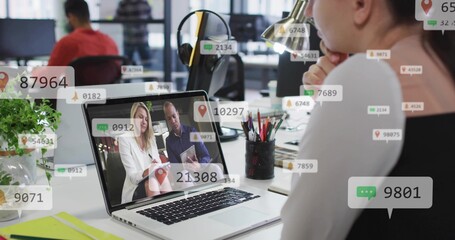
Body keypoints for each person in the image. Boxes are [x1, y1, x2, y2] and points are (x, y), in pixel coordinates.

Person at [281, 0, 455, 239]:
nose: (309, 12)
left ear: (361, 5)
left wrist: (339, 96)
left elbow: (302, 232)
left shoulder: (366, 76)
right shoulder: (441, 60)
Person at [119, 102, 171, 203]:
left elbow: (158, 165)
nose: (144, 121)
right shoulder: (124, 139)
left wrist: (162, 167)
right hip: (134, 188)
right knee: (152, 182)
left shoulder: (151, 139)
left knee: (162, 176)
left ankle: (171, 210)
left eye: (146, 119)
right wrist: (148, 170)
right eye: (140, 117)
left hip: (154, 179)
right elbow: (133, 178)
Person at [48, 0, 118, 66]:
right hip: (105, 79)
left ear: (71, 17)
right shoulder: (110, 42)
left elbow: (48, 76)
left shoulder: (66, 43)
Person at [163, 101, 211, 172]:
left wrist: (199, 165)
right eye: (169, 118)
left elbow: (206, 155)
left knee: (215, 167)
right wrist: (184, 167)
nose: (172, 121)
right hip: (185, 174)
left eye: (174, 116)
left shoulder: (192, 131)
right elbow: (174, 167)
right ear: (167, 120)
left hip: (201, 169)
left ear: (178, 114)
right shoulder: (169, 141)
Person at [115, 0, 153, 69]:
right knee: (146, 63)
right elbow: (150, 18)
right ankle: (146, 78)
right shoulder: (144, 3)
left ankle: (129, 78)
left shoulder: (124, 3)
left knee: (127, 64)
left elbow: (118, 18)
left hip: (130, 38)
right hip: (141, 38)